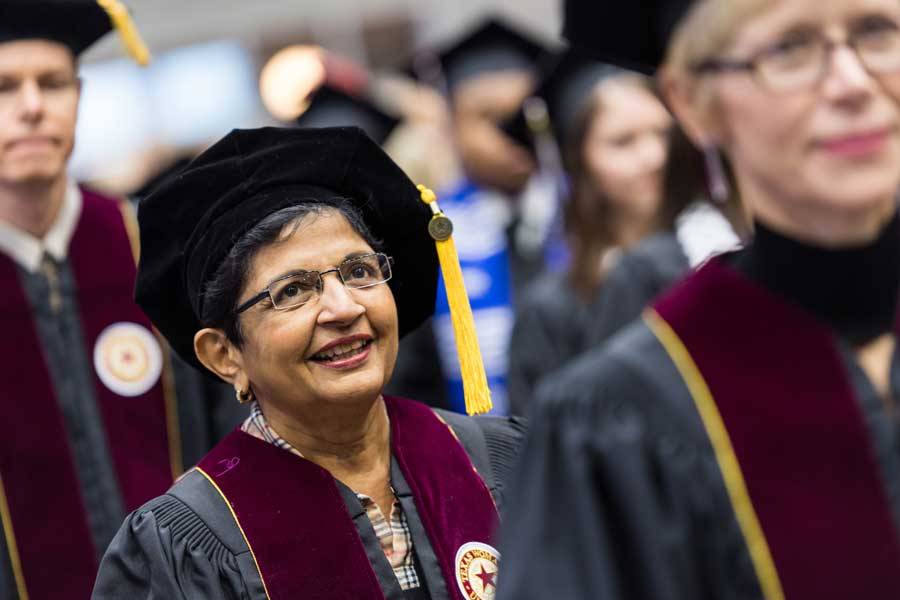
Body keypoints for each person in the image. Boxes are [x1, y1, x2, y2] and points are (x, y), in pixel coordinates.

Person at [498, 0, 900, 597]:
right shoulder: (620, 421)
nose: (851, 83)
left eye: (877, 31)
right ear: (691, 102)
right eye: (789, 49)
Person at [93, 126, 526, 599]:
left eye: (359, 271)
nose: (343, 308)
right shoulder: (186, 544)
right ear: (225, 355)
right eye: (293, 290)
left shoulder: (500, 461)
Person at [0, 2, 235, 597]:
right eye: (4, 87)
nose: (31, 106)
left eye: (51, 84)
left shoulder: (157, 254)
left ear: (78, 96)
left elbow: (231, 435)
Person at [504, 50, 675, 416]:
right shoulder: (552, 311)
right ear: (577, 162)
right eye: (623, 142)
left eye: (664, 134)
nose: (655, 156)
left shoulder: (723, 254)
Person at [426, 17, 548, 414]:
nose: (513, 134)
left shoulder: (584, 217)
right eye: (490, 119)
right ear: (451, 128)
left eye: (525, 117)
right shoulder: (426, 236)